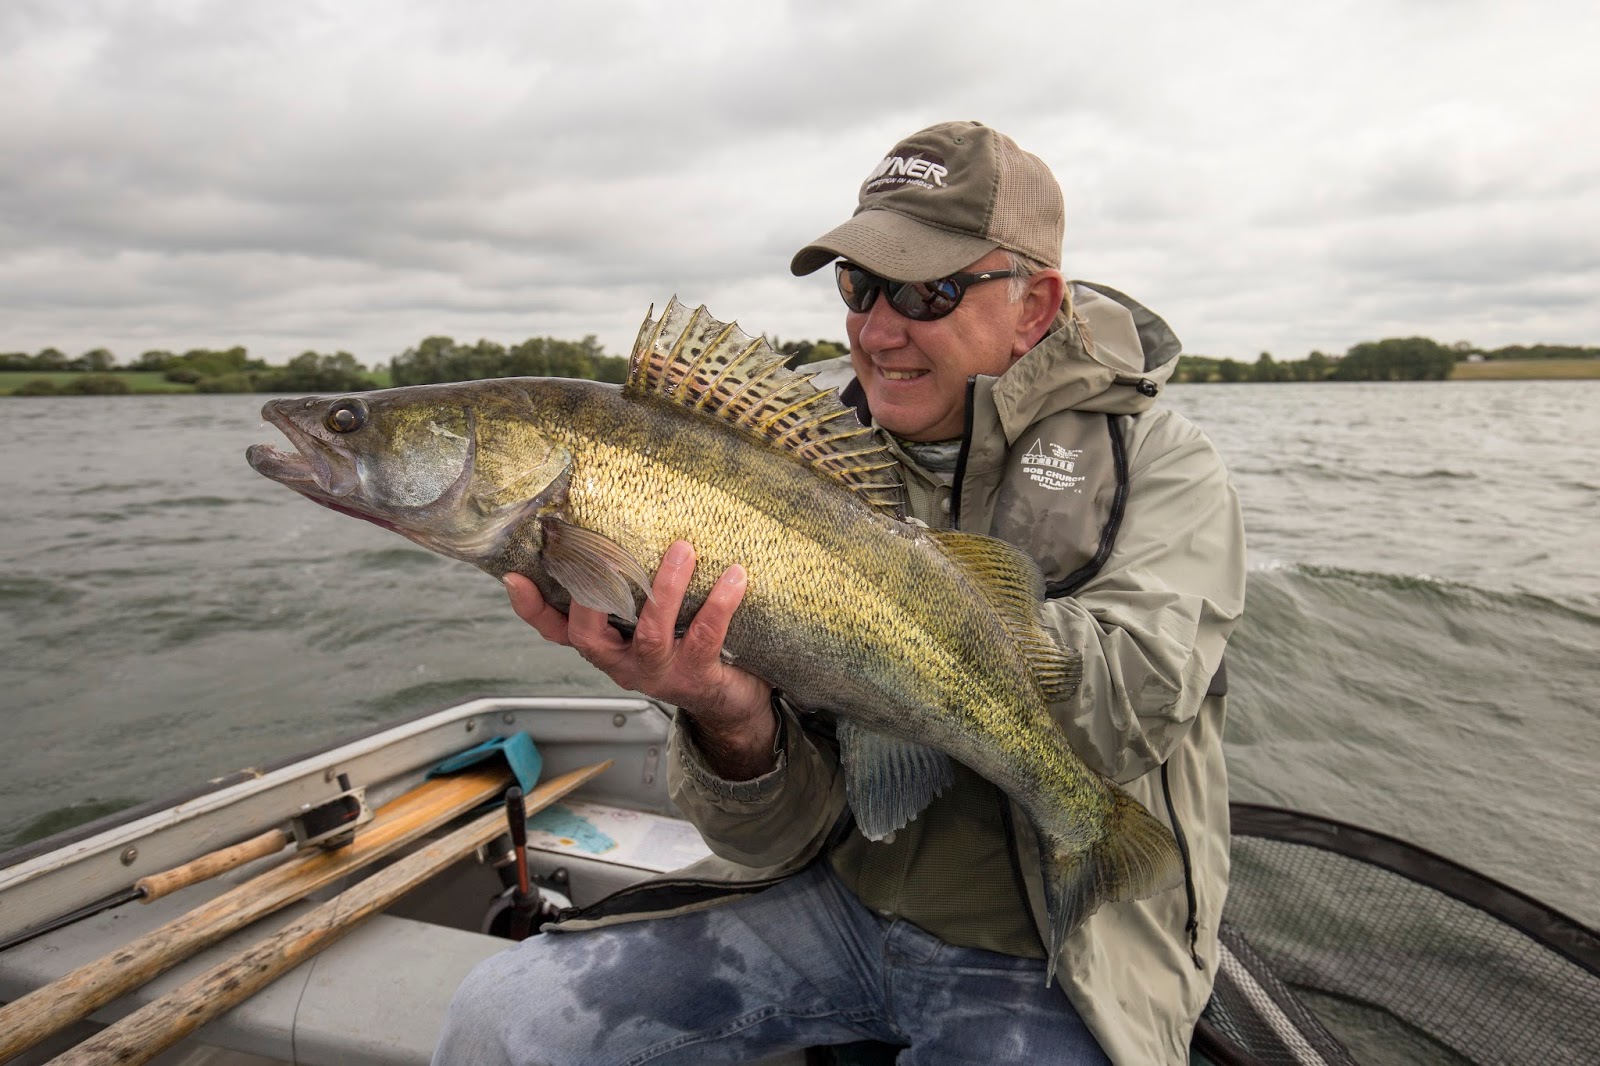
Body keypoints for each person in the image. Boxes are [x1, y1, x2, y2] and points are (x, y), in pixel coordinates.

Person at [432, 121, 1246, 1065]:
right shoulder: (791, 435)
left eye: (927, 290)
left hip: (1050, 957)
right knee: (500, 1024)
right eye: (858, 286)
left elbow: (1133, 704)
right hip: (831, 896)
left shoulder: (1161, 462)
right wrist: (726, 717)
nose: (876, 328)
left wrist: (910, 622)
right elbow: (766, 841)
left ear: (1035, 306)